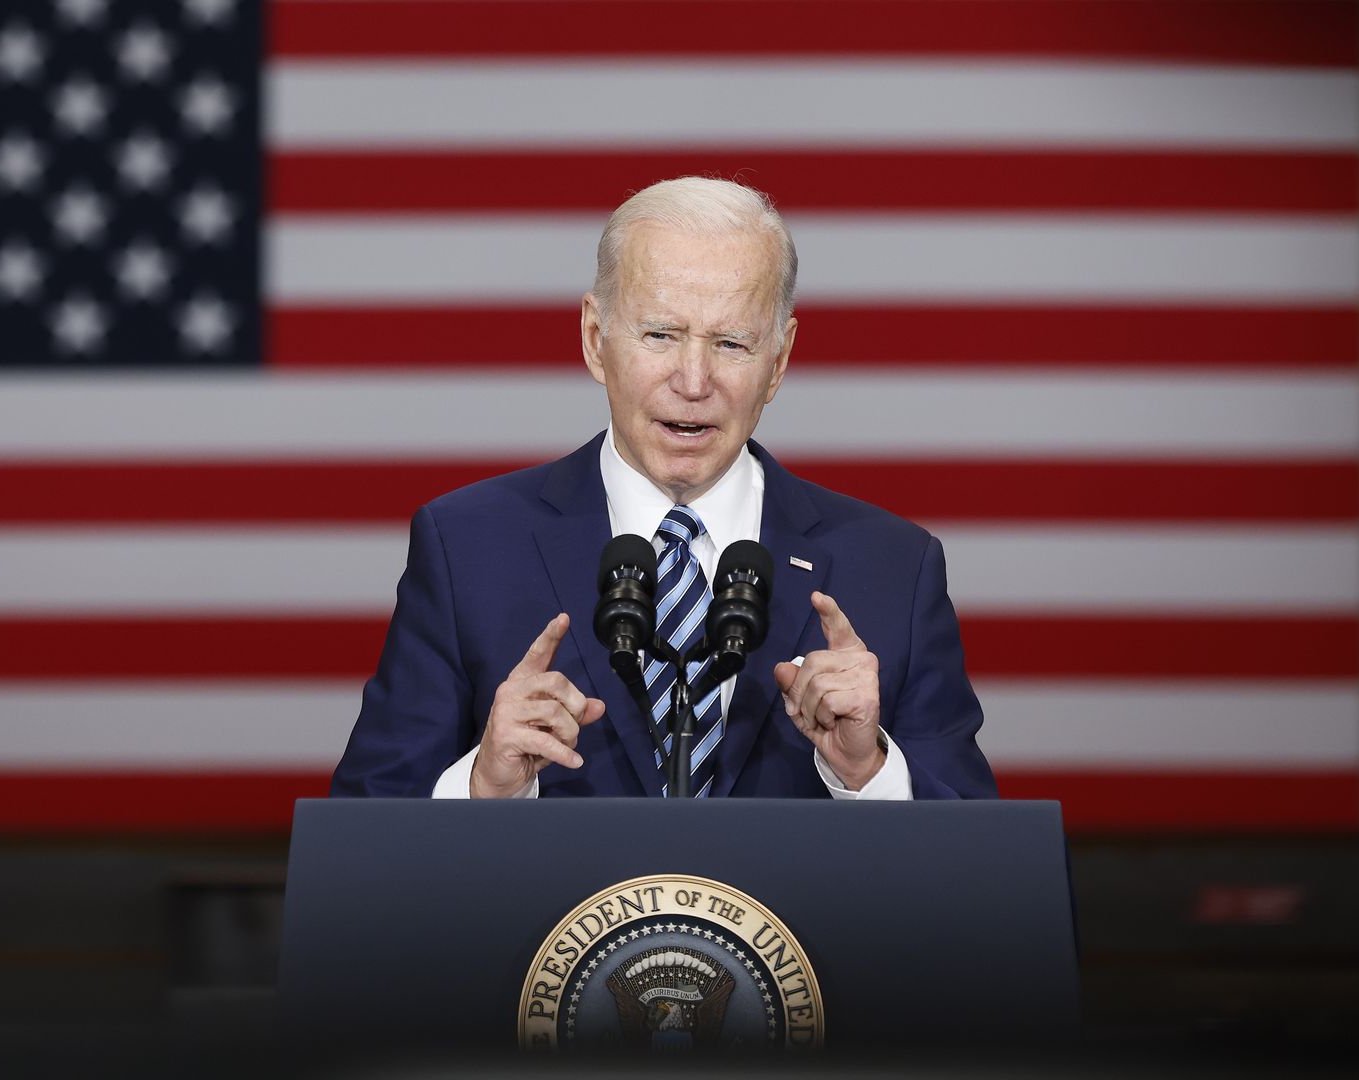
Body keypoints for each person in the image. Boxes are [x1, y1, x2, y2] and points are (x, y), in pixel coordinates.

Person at [330, 177, 995, 801]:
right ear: (596, 339)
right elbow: (360, 837)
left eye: (731, 343)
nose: (694, 381)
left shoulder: (893, 567)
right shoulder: (468, 547)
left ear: (779, 361)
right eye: (660, 335)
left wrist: (868, 771)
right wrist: (484, 786)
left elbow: (980, 860)